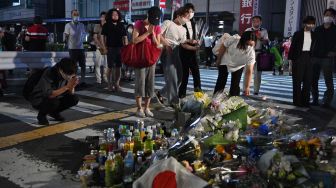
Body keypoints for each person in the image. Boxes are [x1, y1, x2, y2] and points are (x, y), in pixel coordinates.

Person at [159, 7, 197, 107]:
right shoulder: (168, 23)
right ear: (179, 15)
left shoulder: (183, 29)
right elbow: (158, 35)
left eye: (188, 18)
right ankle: (174, 102)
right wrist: (166, 44)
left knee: (180, 77)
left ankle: (161, 93)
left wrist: (191, 43)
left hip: (176, 51)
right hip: (167, 50)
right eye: (185, 17)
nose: (186, 19)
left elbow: (183, 43)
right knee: (172, 77)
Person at [30, 58, 79, 125]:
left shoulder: (69, 73)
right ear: (61, 70)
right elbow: (49, 94)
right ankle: (41, 116)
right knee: (54, 102)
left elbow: (71, 93)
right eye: (68, 75)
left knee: (74, 99)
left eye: (72, 75)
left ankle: (54, 112)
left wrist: (72, 86)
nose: (70, 77)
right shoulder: (50, 72)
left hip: (56, 97)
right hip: (40, 99)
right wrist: (67, 87)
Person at [132, 6, 162, 118]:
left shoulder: (157, 27)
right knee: (140, 83)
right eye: (152, 20)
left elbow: (158, 44)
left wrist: (153, 34)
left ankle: (147, 107)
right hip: (140, 58)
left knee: (150, 84)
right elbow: (134, 41)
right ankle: (139, 108)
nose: (153, 23)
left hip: (151, 59)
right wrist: (146, 33)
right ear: (148, 15)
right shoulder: (138, 24)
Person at [213, 31, 256, 96]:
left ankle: (233, 102)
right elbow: (223, 46)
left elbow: (249, 71)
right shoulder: (234, 39)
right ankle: (215, 100)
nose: (248, 47)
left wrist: (247, 87)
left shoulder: (251, 54)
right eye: (247, 44)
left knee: (235, 85)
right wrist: (218, 60)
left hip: (238, 66)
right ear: (242, 40)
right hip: (226, 60)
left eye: (251, 45)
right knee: (221, 81)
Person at [288, 16, 316, 107]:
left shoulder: (314, 34)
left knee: (308, 81)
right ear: (304, 23)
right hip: (299, 58)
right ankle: (297, 101)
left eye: (312, 23)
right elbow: (292, 48)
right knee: (297, 81)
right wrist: (291, 62)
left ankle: (305, 101)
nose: (310, 25)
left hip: (309, 58)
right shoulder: (298, 33)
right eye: (309, 23)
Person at [311, 8, 336, 108]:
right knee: (313, 79)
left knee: (328, 80)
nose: (328, 16)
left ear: (333, 17)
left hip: (327, 57)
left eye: (330, 15)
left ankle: (327, 101)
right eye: (326, 14)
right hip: (315, 57)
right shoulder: (318, 29)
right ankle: (315, 99)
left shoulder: (335, 29)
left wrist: (334, 52)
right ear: (323, 16)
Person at [101, 9, 128, 92]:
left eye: (116, 14)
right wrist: (104, 48)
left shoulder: (121, 25)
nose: (115, 16)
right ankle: (109, 84)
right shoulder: (106, 25)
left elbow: (125, 37)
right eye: (113, 14)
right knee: (110, 67)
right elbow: (102, 38)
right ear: (110, 16)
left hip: (120, 48)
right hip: (110, 48)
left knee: (118, 67)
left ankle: (117, 84)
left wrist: (126, 47)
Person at [178, 3, 202, 99]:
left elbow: (195, 36)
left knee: (197, 76)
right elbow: (182, 43)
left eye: (192, 12)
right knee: (185, 77)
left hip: (193, 53)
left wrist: (198, 42)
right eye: (188, 11)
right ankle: (181, 96)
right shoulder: (181, 24)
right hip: (184, 53)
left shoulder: (194, 23)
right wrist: (193, 47)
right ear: (184, 12)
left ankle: (199, 96)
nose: (190, 14)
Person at [245, 15, 269, 95]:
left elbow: (266, 42)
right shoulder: (248, 30)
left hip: (259, 54)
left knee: (258, 74)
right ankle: (245, 89)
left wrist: (260, 38)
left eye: (258, 21)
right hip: (249, 53)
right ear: (252, 22)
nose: (256, 22)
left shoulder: (264, 31)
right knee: (247, 72)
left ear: (260, 22)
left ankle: (256, 91)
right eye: (254, 21)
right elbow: (243, 42)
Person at [64, 9, 87, 88]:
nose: (76, 16)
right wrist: (67, 45)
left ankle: (83, 81)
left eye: (77, 14)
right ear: (71, 15)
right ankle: (74, 82)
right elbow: (66, 36)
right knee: (74, 66)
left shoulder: (82, 25)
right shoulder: (68, 25)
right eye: (74, 14)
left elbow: (84, 35)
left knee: (83, 65)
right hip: (72, 48)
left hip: (81, 48)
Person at [93, 11, 108, 85]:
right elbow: (95, 38)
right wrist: (101, 46)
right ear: (100, 17)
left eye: (105, 17)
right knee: (97, 64)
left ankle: (105, 78)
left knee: (106, 65)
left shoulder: (108, 26)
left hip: (107, 47)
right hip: (99, 47)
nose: (104, 18)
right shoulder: (97, 26)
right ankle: (98, 79)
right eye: (102, 17)